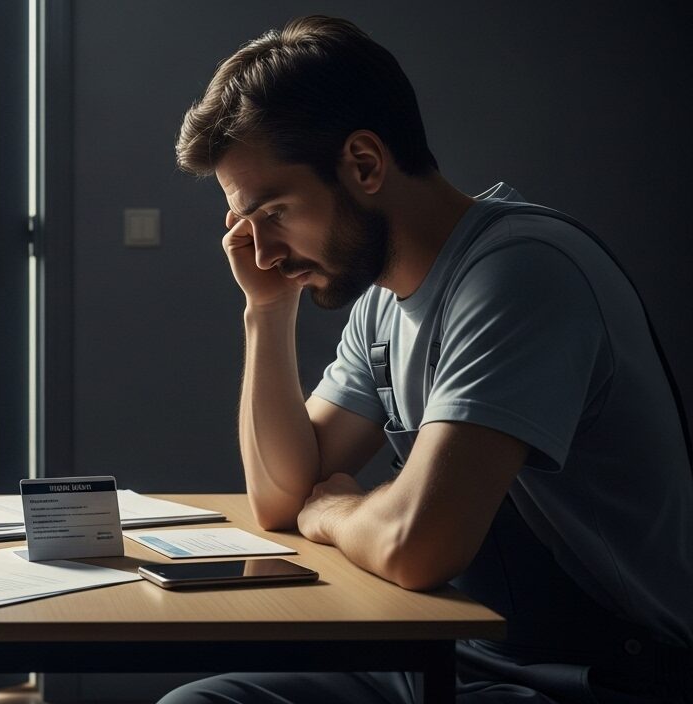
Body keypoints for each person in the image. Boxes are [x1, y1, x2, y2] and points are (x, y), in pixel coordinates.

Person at [160, 15, 693, 704]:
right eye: (246, 226)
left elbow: (418, 545)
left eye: (275, 213)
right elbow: (282, 495)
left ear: (365, 164)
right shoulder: (384, 301)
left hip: (598, 672)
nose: (260, 252)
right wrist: (265, 310)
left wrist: (337, 514)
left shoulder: (522, 274)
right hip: (458, 653)